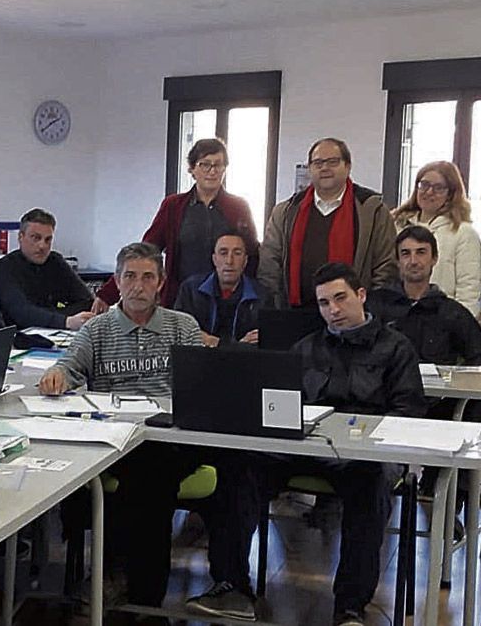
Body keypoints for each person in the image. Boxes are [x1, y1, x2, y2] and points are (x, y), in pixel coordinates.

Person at [190, 262, 425, 626]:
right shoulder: (306, 347)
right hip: (304, 448)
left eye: (340, 298)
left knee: (371, 483)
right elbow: (279, 403)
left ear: (361, 296)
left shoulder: (396, 349)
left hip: (362, 456)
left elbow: (409, 414)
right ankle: (231, 586)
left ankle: (349, 608)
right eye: (324, 302)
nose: (333, 309)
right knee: (240, 467)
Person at [39, 242, 204, 612]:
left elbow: (202, 385)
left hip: (170, 439)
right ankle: (142, 590)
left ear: (161, 283)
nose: (138, 286)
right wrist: (57, 376)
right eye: (130, 276)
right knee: (143, 478)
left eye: (148, 277)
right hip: (116, 439)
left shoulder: (183, 327)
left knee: (151, 473)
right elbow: (68, 365)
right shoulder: (97, 330)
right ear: (116, 280)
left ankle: (122, 578)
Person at [94, 138, 258, 311]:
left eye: (218, 165)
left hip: (227, 302)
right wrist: (107, 295)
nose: (212, 171)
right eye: (205, 164)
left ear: (225, 169)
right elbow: (146, 251)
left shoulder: (238, 207)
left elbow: (252, 255)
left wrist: (254, 304)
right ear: (192, 169)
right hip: (182, 300)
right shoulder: (173, 206)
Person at [258, 137, 398, 308]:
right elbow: (270, 264)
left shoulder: (372, 211)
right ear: (309, 169)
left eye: (332, 162)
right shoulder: (286, 212)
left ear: (347, 166)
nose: (324, 168)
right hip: (296, 313)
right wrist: (277, 305)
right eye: (318, 163)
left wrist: (370, 309)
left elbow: (386, 265)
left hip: (354, 317)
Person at [368, 225, 481, 366]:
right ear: (398, 262)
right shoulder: (375, 306)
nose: (413, 261)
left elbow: (477, 357)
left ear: (434, 258)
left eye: (421, 252)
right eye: (406, 253)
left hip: (436, 387)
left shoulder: (453, 313)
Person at [391, 160, 481, 318]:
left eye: (438, 188)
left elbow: (468, 291)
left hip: (443, 321)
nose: (429, 192)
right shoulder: (396, 225)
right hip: (398, 316)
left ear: (451, 194)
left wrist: (458, 328)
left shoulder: (463, 233)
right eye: (424, 185)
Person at [0, 208, 95, 329]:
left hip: (54, 333)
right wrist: (66, 321)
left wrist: (49, 315)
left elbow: (87, 302)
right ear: (20, 237)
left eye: (48, 240)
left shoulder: (55, 261)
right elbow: (22, 314)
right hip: (19, 337)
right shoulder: (3, 267)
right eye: (36, 238)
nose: (42, 246)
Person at [173, 232, 268, 347]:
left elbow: (260, 343)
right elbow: (180, 332)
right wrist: (237, 346)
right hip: (199, 359)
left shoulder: (262, 296)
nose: (229, 261)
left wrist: (212, 341)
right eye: (223, 253)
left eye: (237, 253)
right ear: (214, 259)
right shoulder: (190, 290)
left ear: (245, 261)